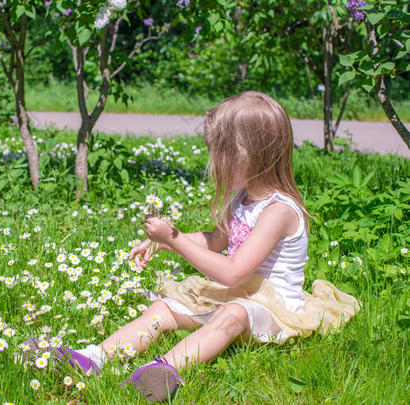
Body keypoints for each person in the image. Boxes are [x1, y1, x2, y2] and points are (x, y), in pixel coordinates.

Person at [28, 91, 361, 402]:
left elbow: (232, 273)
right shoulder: (243, 200)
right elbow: (214, 242)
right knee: (163, 309)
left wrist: (173, 239)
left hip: (273, 311)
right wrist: (168, 242)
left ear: (250, 154)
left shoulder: (278, 211)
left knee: (232, 313)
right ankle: (92, 358)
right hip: (241, 294)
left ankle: (161, 372)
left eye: (220, 155)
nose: (213, 165)